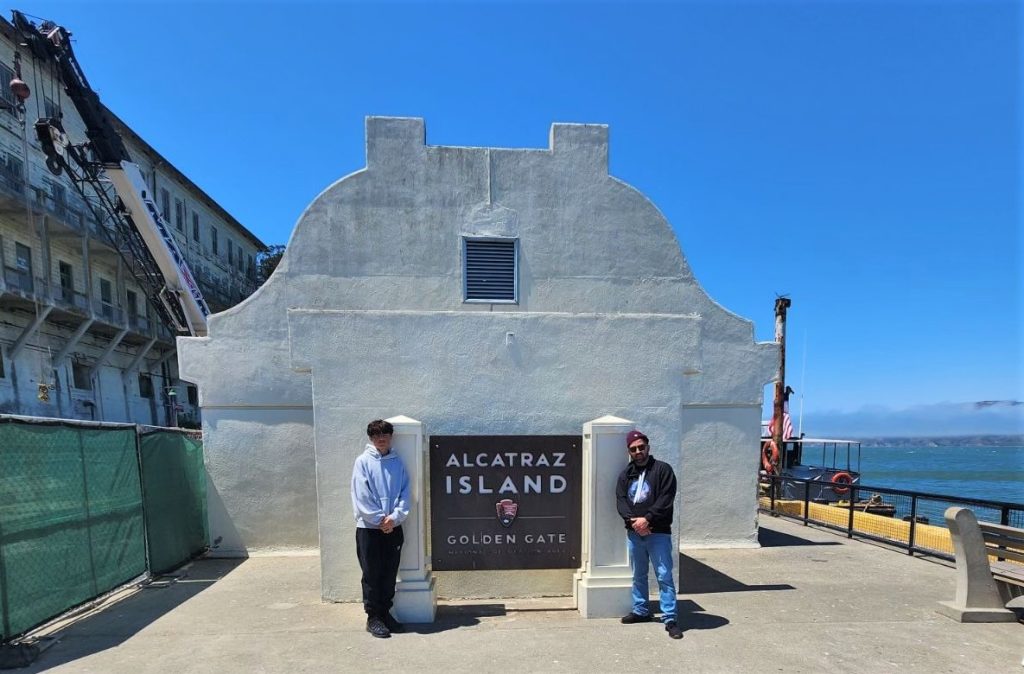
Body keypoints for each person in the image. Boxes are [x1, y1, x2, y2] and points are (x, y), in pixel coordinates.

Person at [615, 429, 683, 640]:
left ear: (648, 448)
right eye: (634, 449)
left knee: (664, 576)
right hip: (635, 533)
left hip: (658, 533)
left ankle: (670, 618)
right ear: (629, 452)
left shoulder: (663, 470)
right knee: (638, 575)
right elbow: (620, 500)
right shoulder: (626, 474)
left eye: (641, 447)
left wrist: (648, 519)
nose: (638, 452)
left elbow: (666, 498)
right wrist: (633, 522)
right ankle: (641, 610)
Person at [351, 419, 410, 638]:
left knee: (389, 572)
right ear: (371, 438)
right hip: (369, 528)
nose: (381, 439)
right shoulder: (363, 462)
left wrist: (394, 518)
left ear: (391, 437)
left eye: (384, 434)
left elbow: (405, 493)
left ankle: (385, 614)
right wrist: (379, 520)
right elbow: (361, 495)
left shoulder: (397, 463)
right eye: (376, 435)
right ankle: (373, 617)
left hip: (393, 527)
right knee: (372, 573)